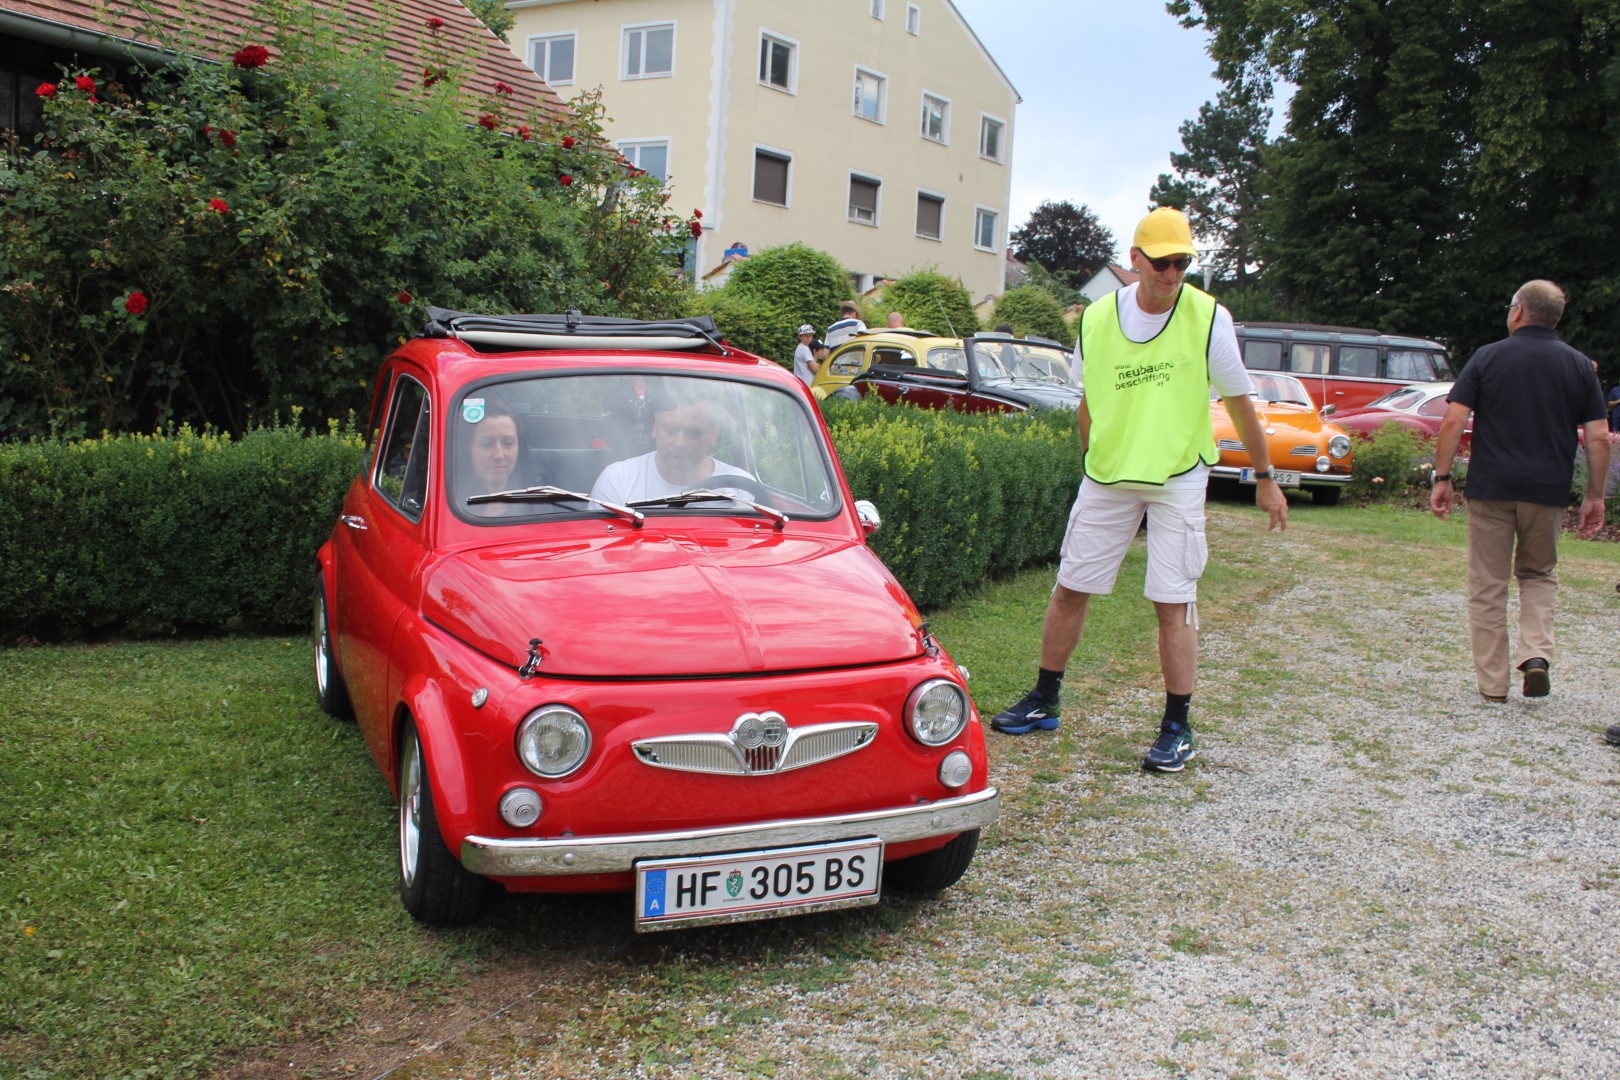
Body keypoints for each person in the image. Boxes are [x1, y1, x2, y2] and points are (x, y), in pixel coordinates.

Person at [988, 207, 1288, 774]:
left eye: (1182, 263)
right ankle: (1044, 701)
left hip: (1177, 475)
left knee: (1172, 601)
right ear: (1135, 260)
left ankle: (1177, 726)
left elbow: (1241, 400)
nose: (1172, 274)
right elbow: (1088, 399)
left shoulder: (1207, 318)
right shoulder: (1098, 318)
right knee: (1070, 585)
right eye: (1162, 262)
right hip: (1109, 476)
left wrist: (1267, 479)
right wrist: (1088, 462)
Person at [1430, 279, 1609, 702]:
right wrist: (1594, 495)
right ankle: (1536, 655)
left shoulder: (1488, 357)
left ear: (1517, 312)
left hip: (1491, 487)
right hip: (1547, 491)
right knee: (1539, 574)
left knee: (1488, 583)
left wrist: (1442, 477)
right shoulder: (1580, 365)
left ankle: (1493, 685)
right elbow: (1599, 437)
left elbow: (1453, 420)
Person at [590, 388, 754, 505]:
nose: (680, 443)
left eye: (694, 433)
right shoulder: (618, 482)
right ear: (655, 427)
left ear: (714, 435)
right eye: (670, 430)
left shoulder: (741, 489)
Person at [459, 396, 523, 516]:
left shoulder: (540, 502)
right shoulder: (450, 502)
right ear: (468, 448)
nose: (498, 455)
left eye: (508, 443)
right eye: (487, 444)